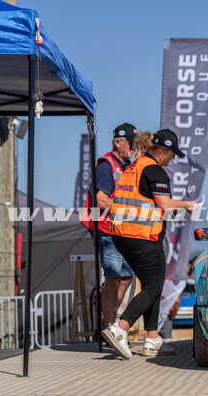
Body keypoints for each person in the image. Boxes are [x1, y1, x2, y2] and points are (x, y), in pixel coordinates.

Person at [101, 129, 201, 359]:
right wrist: (188, 205)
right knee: (154, 286)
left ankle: (152, 339)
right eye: (171, 154)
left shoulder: (134, 166)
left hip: (122, 234)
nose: (172, 160)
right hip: (142, 235)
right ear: (162, 150)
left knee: (150, 285)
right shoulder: (154, 170)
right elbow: (164, 204)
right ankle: (120, 328)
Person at [81, 123, 137, 328]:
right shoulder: (107, 165)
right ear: (118, 143)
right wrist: (128, 208)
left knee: (126, 277)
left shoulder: (129, 167)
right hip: (107, 230)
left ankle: (110, 320)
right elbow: (101, 201)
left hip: (123, 230)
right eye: (131, 143)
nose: (134, 148)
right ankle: (109, 325)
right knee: (114, 277)